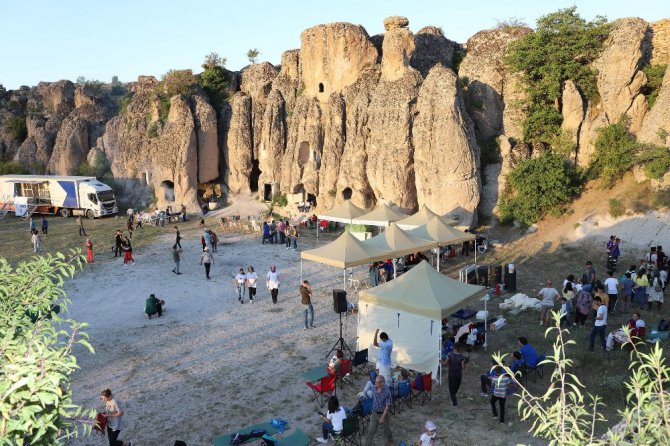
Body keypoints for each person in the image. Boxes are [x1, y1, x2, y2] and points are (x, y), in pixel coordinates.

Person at [363, 375, 393, 446]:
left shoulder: (387, 392)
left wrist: (382, 417)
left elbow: (387, 406)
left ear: (382, 383)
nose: (375, 383)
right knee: (371, 430)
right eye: (375, 382)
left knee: (386, 429)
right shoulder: (373, 388)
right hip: (374, 413)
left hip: (383, 414)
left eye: (377, 382)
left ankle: (390, 441)